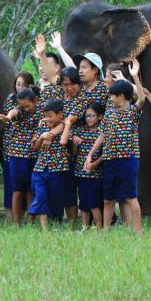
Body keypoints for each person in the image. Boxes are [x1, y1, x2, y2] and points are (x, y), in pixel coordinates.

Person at [85, 60, 145, 236]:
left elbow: (141, 98)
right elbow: (102, 135)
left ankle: (138, 233)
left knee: (131, 197)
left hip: (128, 160)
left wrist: (133, 77)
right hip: (110, 160)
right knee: (107, 199)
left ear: (121, 96)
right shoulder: (110, 112)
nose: (110, 98)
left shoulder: (133, 112)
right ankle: (105, 232)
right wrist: (90, 154)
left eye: (113, 95)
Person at [36, 36, 87, 223]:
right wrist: (42, 54)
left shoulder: (81, 100)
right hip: (51, 152)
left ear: (78, 85)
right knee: (53, 187)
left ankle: (73, 224)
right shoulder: (57, 92)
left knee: (70, 191)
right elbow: (50, 75)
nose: (68, 88)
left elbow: (68, 121)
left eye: (72, 85)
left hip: (71, 150)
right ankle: (54, 220)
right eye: (65, 85)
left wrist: (50, 134)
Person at [0, 86, 41, 225]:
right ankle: (16, 223)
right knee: (18, 190)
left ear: (35, 100)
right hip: (17, 154)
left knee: (30, 190)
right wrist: (8, 117)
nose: (25, 109)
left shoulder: (42, 110)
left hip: (33, 153)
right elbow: (13, 112)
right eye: (23, 107)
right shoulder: (19, 109)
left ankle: (31, 221)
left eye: (28, 106)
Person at [61, 102, 104, 229]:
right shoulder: (80, 130)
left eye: (92, 116)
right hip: (80, 172)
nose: (88, 118)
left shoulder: (102, 132)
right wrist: (73, 137)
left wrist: (95, 164)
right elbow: (73, 149)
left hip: (95, 174)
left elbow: (105, 153)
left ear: (100, 116)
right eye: (86, 116)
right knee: (83, 203)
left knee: (93, 203)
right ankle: (85, 227)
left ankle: (99, 229)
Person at [28, 99, 68, 231]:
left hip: (58, 168)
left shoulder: (65, 127)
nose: (47, 119)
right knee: (41, 196)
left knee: (57, 198)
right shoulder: (42, 127)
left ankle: (57, 223)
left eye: (50, 116)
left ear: (60, 114)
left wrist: (52, 135)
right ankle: (44, 230)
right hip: (40, 168)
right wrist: (42, 137)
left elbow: (65, 142)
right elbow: (34, 147)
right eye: (45, 116)